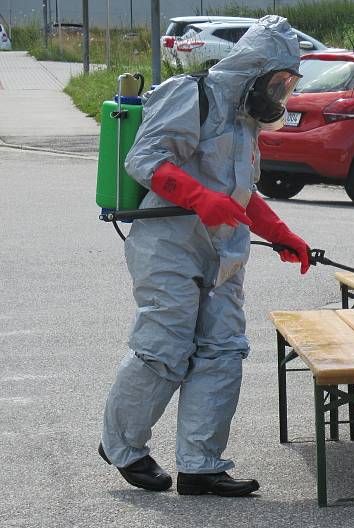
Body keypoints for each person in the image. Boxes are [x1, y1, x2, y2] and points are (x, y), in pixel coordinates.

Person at [99, 16, 310, 497]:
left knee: (223, 351)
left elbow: (240, 192)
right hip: (169, 242)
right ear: (254, 71)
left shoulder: (246, 119)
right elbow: (145, 161)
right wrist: (199, 198)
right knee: (164, 347)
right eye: (277, 81)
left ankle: (200, 464)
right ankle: (122, 446)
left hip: (225, 250)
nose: (280, 93)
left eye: (287, 84)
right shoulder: (191, 94)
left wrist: (280, 233)